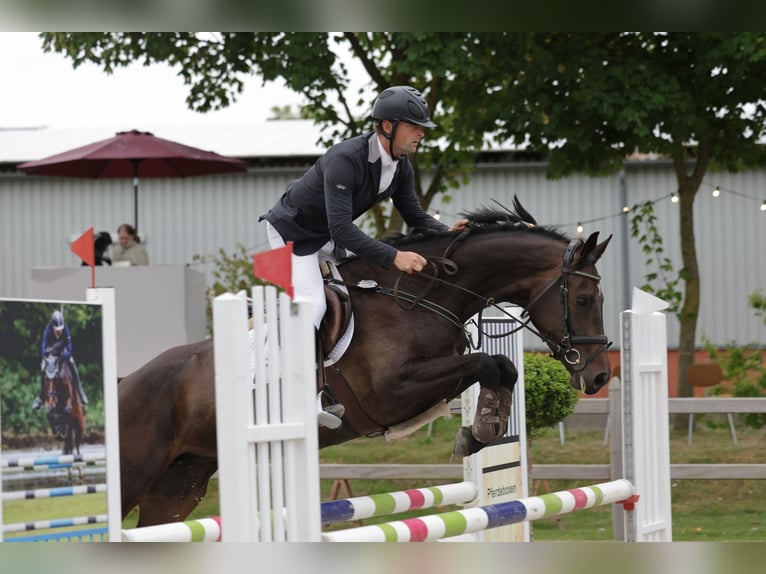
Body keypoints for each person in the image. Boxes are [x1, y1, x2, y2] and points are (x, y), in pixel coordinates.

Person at [260, 85, 468, 428]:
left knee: (363, 291)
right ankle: (300, 396)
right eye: (414, 126)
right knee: (313, 303)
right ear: (387, 126)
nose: (421, 133)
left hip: (325, 234)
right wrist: (394, 257)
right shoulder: (346, 158)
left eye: (422, 127)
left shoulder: (400, 167)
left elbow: (416, 218)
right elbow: (342, 230)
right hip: (292, 234)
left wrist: (447, 233)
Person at [33, 310, 88, 410]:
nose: (59, 331)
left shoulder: (66, 329)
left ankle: (80, 392)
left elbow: (69, 348)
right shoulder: (47, 330)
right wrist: (49, 352)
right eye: (57, 329)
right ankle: (41, 397)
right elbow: (43, 349)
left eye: (61, 329)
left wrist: (64, 355)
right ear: (53, 326)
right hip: (51, 356)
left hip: (63, 353)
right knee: (43, 369)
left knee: (72, 365)